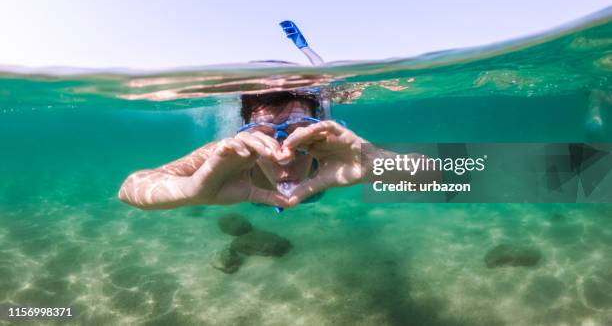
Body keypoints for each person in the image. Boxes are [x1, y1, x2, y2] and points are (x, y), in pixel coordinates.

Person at [117, 90, 437, 210]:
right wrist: (189, 190)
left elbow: (439, 174)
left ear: (318, 130)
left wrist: (377, 165)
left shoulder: (336, 154)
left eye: (300, 138)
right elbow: (130, 187)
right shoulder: (227, 157)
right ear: (245, 135)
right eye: (265, 137)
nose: (283, 155)